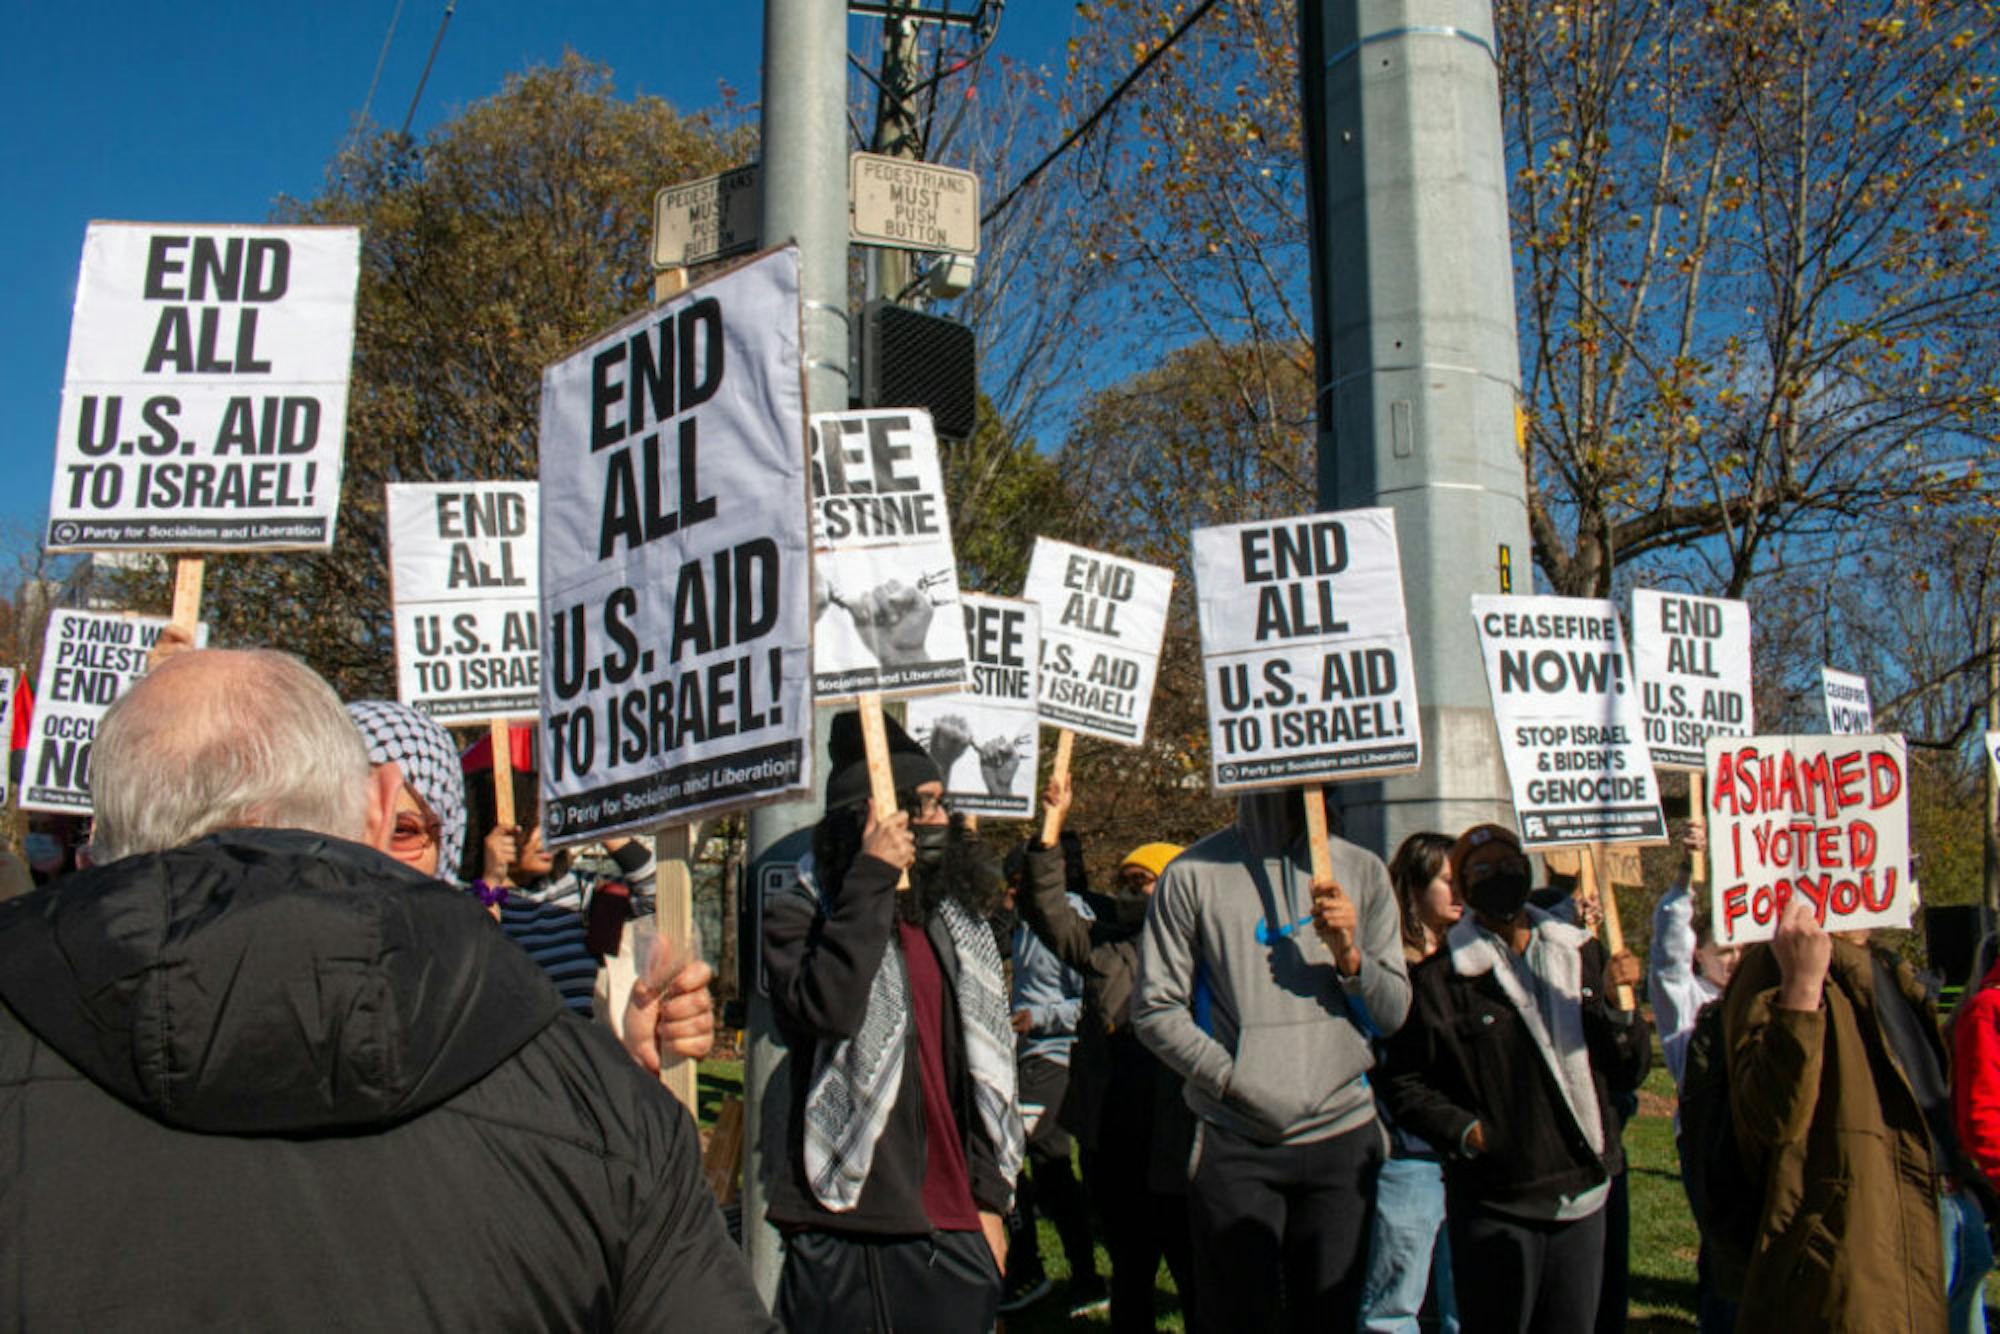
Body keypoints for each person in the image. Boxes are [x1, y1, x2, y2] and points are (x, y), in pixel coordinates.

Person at [0, 649, 771, 1328]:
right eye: (398, 826)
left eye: (421, 830)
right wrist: (605, 1094)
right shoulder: (594, 1112)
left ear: (98, 828)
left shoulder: (584, 1083)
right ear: (374, 803)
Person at [763, 711, 1022, 1331]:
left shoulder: (954, 923)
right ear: (874, 817)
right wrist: (872, 879)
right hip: (842, 1220)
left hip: (951, 1223)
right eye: (923, 806)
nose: (940, 821)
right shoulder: (800, 913)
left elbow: (981, 1074)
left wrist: (989, 1200)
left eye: (940, 804)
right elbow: (829, 1007)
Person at [1134, 786, 1410, 1333]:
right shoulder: (1191, 875)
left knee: (1330, 1315)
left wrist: (1351, 957)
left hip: (1342, 1135)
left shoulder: (1364, 870)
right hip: (1236, 1141)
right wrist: (1231, 1080)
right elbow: (1154, 1009)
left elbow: (1395, 1012)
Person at [1381, 823, 1650, 1334]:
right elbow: (1404, 1084)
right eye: (1481, 871)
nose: (1498, 877)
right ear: (1463, 886)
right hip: (1497, 1200)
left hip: (1585, 1196)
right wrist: (1470, 1133)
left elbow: (1626, 1071)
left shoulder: (1582, 956)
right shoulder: (1440, 981)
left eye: (1508, 866)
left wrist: (1621, 1010)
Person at [1727, 894, 1991, 1333]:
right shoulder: (1773, 967)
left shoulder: (1886, 967)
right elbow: (1770, 1120)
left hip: (1945, 1215)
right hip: (1866, 1238)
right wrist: (1802, 987)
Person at [1020, 775, 1194, 1330]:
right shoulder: (1101, 946)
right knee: (1133, 1271)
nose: (1131, 889)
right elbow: (1045, 908)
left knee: (1196, 1272)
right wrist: (1049, 829)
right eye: (1126, 879)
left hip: (1182, 1136)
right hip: (1113, 1134)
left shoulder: (1204, 951)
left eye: (1145, 881)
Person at [463, 723, 659, 1017]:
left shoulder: (578, 890)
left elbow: (654, 891)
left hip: (571, 1055)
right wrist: (492, 879)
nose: (548, 840)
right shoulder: (461, 896)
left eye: (554, 824)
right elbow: (470, 956)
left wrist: (596, 819)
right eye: (532, 824)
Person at [1361, 831, 1461, 1334]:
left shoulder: (1476, 963)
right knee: (1395, 1302)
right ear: (1415, 889)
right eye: (1448, 881)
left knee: (1466, 1302)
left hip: (1468, 1155)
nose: (1460, 892)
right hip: (1410, 1155)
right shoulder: (1387, 969)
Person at [1645, 817, 1740, 1333]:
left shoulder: (1753, 997)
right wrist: (1686, 875)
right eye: (1723, 950)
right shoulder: (1686, 1000)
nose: (1734, 959)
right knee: (1723, 1249)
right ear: (1700, 953)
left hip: (1754, 1134)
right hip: (1706, 1139)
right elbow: (1668, 946)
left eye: (1739, 948)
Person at [999, 837, 1100, 1313]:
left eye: (1018, 884)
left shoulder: (1074, 919)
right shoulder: (1023, 925)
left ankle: (1055, 1273)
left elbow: (1094, 1002)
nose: (1011, 894)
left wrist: (1039, 1019)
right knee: (1036, 1162)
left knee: (1039, 1157)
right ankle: (1059, 1272)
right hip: (1028, 1056)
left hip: (1058, 1057)